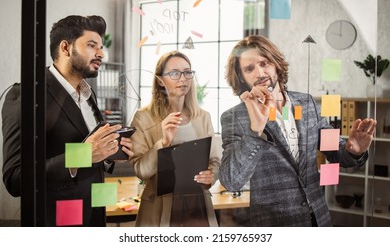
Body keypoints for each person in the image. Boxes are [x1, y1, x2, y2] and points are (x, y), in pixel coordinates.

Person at [219, 35, 377, 227]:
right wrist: (255, 131)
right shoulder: (234, 117)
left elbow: (334, 151)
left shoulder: (306, 103)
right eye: (249, 69)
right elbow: (231, 181)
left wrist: (353, 150)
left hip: (319, 219)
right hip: (276, 224)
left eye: (264, 63)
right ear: (242, 77)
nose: (260, 72)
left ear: (276, 64)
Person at [2, 15, 133, 226]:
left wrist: (110, 152)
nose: (101, 53)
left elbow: (89, 152)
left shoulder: (89, 94)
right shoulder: (25, 95)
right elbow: (15, 178)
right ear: (65, 48)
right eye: (92, 46)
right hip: (58, 222)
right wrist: (83, 155)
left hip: (95, 214)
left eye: (100, 47)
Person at [130, 51, 220, 227]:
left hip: (197, 204)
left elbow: (215, 160)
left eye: (187, 72)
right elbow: (141, 170)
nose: (183, 78)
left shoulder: (203, 117)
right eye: (174, 73)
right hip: (159, 207)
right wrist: (162, 143)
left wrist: (212, 175)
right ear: (159, 80)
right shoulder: (143, 117)